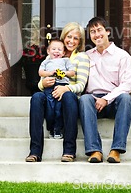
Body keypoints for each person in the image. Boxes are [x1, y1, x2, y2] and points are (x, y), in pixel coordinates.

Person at [25, 22, 90, 163]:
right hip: (50, 94)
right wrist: (42, 84)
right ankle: (35, 151)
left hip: (68, 98)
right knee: (36, 97)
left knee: (68, 96)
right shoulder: (53, 55)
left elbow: (81, 85)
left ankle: (69, 150)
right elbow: (42, 79)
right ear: (63, 37)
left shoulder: (82, 57)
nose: (71, 41)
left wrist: (66, 88)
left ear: (80, 42)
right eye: (69, 37)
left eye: (76, 38)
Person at [79, 17, 131, 163]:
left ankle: (116, 150)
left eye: (99, 30)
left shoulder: (122, 56)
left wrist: (107, 99)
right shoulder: (86, 56)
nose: (96, 34)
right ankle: (95, 151)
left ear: (107, 32)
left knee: (126, 98)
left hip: (114, 100)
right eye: (92, 32)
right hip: (92, 101)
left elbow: (127, 85)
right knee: (84, 99)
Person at [38, 38, 75, 139]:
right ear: (48, 51)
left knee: (59, 109)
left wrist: (63, 73)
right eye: (53, 49)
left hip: (61, 86)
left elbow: (72, 73)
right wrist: (50, 73)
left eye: (59, 49)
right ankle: (51, 128)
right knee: (50, 108)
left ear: (63, 52)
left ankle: (58, 129)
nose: (56, 51)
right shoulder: (46, 61)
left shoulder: (65, 60)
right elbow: (40, 72)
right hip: (49, 87)